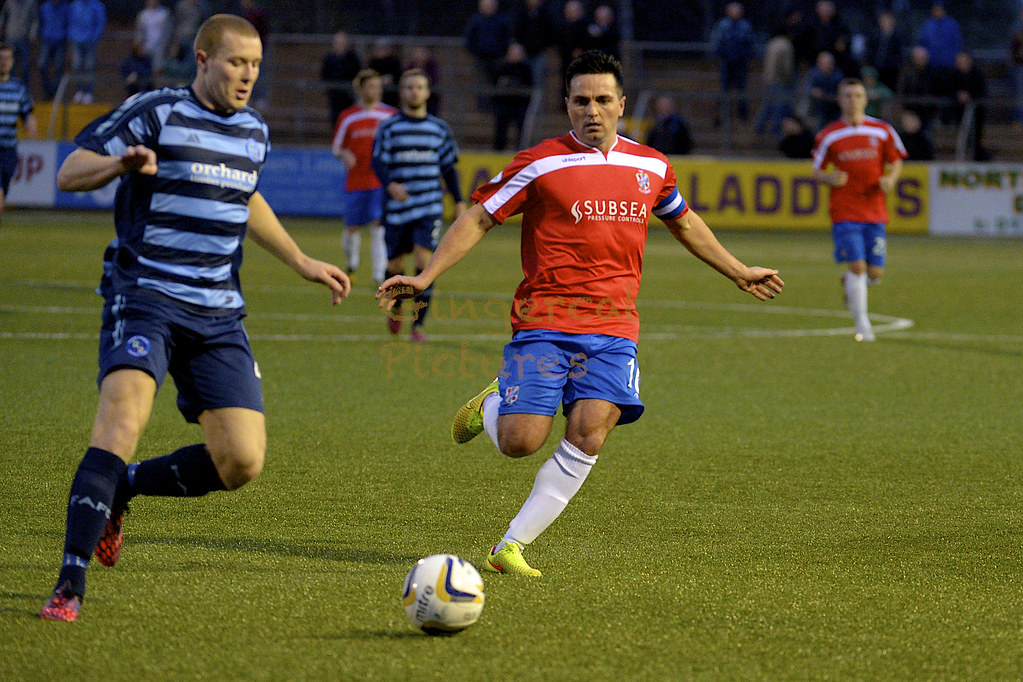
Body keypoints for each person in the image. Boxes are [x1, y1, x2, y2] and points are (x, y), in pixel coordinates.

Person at [376, 51, 784, 577]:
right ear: (566, 105)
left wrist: (736, 270)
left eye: (602, 100)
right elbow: (479, 218)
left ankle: (510, 546)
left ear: (622, 104)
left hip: (615, 326)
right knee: (520, 443)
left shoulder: (652, 165)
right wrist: (426, 277)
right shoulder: (540, 162)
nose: (592, 110)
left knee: (590, 431)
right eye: (580, 101)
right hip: (545, 319)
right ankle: (496, 402)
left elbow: (684, 223)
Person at [37, 14, 351, 622]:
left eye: (255, 65)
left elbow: (244, 194)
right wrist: (120, 166)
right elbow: (70, 170)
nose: (247, 75)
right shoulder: (156, 109)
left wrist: (300, 259)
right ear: (202, 59)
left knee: (241, 461)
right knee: (123, 416)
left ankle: (124, 487)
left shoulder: (255, 131)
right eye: (236, 62)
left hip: (218, 314)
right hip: (147, 295)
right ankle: (70, 583)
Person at [371, 68, 466, 342]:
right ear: (402, 93)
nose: (414, 91)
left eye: (420, 87)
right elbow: (378, 162)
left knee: (426, 264)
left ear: (427, 92)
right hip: (398, 209)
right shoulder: (389, 127)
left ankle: (418, 325)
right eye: (409, 87)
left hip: (428, 206)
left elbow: (448, 168)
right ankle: (398, 307)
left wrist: (459, 201)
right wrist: (390, 185)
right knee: (395, 265)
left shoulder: (439, 129)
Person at [812, 78, 906, 342]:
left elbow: (896, 161)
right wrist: (830, 178)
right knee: (858, 267)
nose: (852, 101)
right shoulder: (828, 134)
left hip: (874, 210)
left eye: (857, 96)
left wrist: (890, 179)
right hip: (844, 210)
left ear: (866, 100)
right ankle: (863, 325)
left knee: (874, 274)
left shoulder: (882, 130)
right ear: (840, 100)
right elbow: (816, 170)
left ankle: (851, 285)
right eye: (847, 96)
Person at [330, 69, 396, 283]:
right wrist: (344, 153)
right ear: (360, 89)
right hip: (356, 181)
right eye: (370, 86)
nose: (375, 91)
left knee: (378, 226)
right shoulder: (348, 116)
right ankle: (352, 263)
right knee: (351, 228)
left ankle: (379, 273)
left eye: (378, 87)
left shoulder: (390, 115)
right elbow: (337, 146)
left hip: (380, 181)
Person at [0, 42, 38, 226]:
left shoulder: (19, 88)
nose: (3, 62)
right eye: (1, 59)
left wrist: (31, 126)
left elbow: (27, 114)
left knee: (3, 193)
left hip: (9, 150)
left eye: (7, 58)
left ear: (12, 62)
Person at [710, 1, 755, 126]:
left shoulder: (745, 26)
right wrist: (718, 56)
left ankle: (742, 114)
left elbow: (750, 43)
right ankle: (722, 116)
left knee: (741, 89)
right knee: (724, 90)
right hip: (726, 62)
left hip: (740, 63)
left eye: (738, 11)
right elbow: (716, 42)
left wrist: (747, 56)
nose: (736, 13)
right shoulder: (722, 25)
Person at [492, 42, 533, 150]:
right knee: (501, 126)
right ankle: (498, 150)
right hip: (504, 103)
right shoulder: (501, 67)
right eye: (513, 52)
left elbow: (530, 86)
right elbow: (494, 85)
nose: (515, 55)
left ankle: (521, 150)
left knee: (521, 127)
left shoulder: (525, 69)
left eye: (517, 52)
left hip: (520, 104)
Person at [321, 31, 362, 129]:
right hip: (335, 96)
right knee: (336, 121)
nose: (340, 45)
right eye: (337, 42)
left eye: (342, 42)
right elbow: (324, 75)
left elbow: (357, 74)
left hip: (349, 95)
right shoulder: (329, 58)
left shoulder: (352, 58)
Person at [67, 0, 105, 103]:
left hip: (89, 41)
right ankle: (79, 91)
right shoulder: (74, 4)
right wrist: (71, 35)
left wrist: (94, 37)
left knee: (89, 66)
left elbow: (100, 22)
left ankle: (88, 92)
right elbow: (70, 20)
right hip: (76, 41)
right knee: (76, 65)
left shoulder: (96, 5)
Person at [0, 0, 38, 93]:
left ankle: (25, 90)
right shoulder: (9, 2)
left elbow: (35, 20)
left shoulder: (30, 3)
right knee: (9, 66)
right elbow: (3, 17)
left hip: (24, 38)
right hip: (11, 38)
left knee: (25, 66)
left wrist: (32, 33)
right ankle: (8, 89)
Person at [37, 0, 68, 100]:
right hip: (47, 40)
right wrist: (40, 34)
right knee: (42, 65)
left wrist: (65, 35)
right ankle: (48, 91)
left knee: (58, 68)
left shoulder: (66, 7)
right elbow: (40, 21)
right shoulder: (45, 6)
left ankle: (56, 94)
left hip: (60, 41)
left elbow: (69, 23)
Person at [135, 0, 171, 75]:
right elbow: (139, 32)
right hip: (145, 48)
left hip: (160, 49)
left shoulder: (164, 13)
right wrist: (139, 45)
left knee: (158, 71)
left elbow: (168, 32)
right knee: (144, 71)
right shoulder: (142, 15)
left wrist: (166, 47)